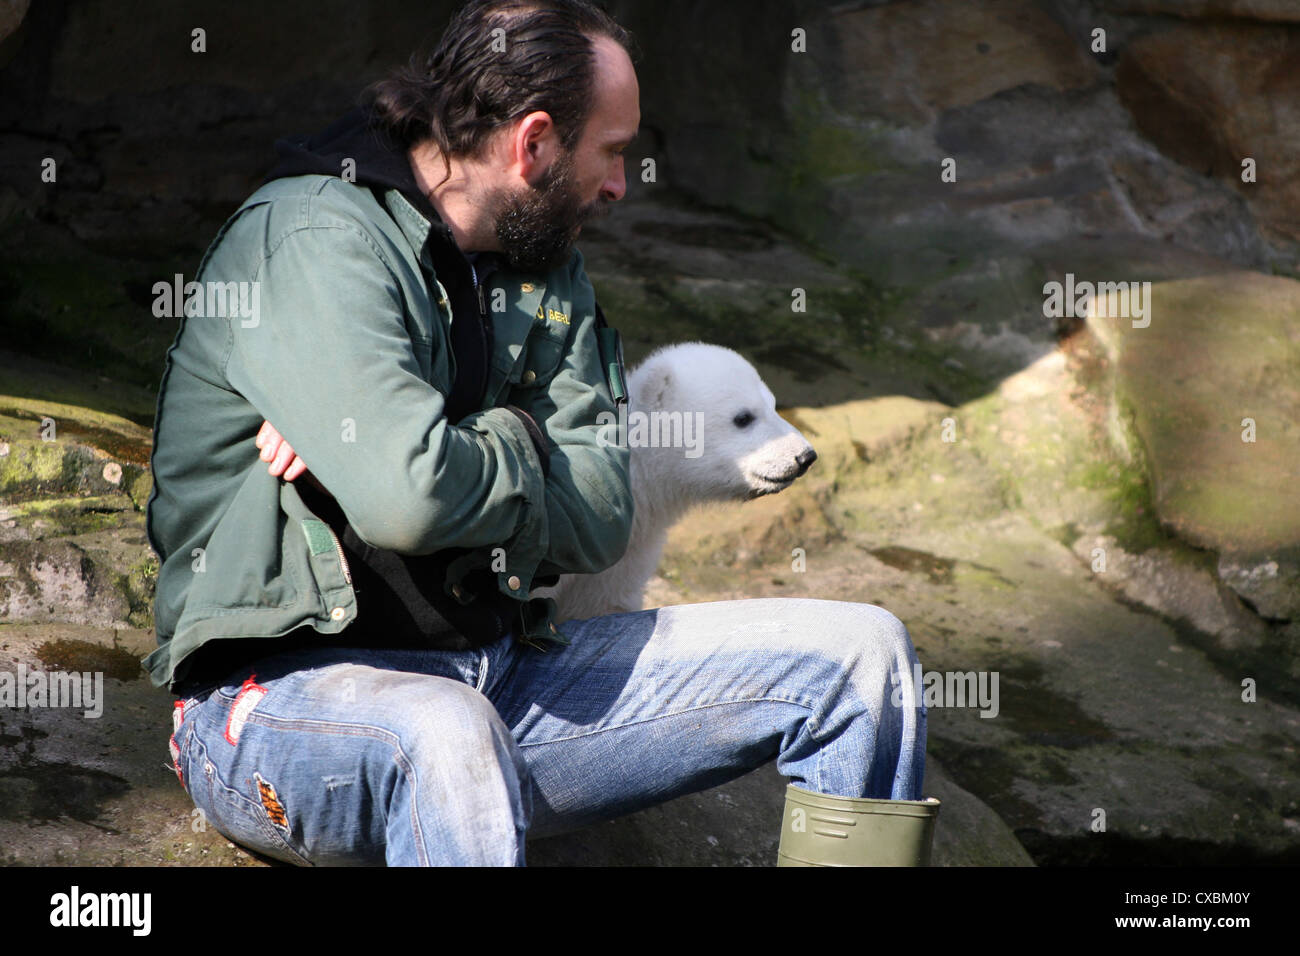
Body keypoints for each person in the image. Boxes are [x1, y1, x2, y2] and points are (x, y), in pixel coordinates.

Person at [146, 0, 935, 867]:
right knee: (448, 729)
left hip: (509, 671)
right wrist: (516, 440)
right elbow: (408, 501)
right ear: (534, 143)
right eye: (614, 151)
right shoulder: (313, 238)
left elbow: (599, 516)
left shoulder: (548, 271)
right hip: (283, 705)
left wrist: (434, 434)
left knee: (862, 654)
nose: (621, 186)